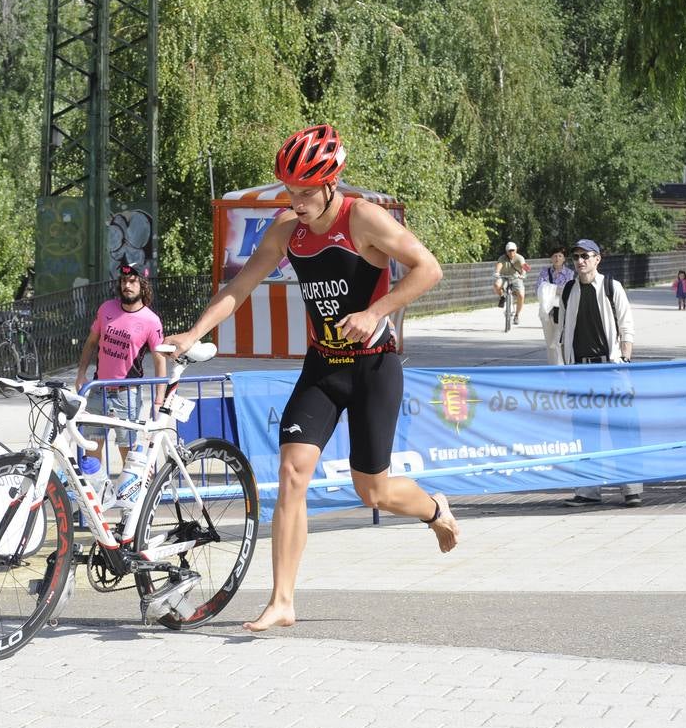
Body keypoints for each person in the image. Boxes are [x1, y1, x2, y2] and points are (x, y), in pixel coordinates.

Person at [167, 123, 459, 632]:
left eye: (304, 193)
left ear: (330, 184)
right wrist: (193, 333)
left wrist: (377, 311)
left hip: (373, 366)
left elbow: (428, 268)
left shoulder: (363, 218)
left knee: (375, 492)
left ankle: (435, 508)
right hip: (323, 365)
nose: (295, 202)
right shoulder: (286, 229)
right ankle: (282, 600)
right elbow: (241, 285)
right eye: (289, 191)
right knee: (291, 473)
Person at [557, 239, 643, 508]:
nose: (580, 261)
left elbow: (626, 326)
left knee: (623, 428)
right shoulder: (568, 289)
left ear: (597, 259)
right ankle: (587, 490)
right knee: (584, 431)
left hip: (610, 366)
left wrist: (625, 360)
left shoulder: (610, 287)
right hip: (580, 369)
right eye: (576, 256)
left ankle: (631, 488)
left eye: (586, 256)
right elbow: (563, 330)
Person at [73, 264, 167, 464]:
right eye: (124, 281)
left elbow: (160, 361)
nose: (127, 285)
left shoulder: (151, 320)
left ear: (142, 286)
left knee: (129, 457)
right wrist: (81, 374)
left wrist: (159, 402)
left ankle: (132, 494)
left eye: (133, 281)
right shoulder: (107, 308)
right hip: (98, 391)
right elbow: (91, 342)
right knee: (90, 453)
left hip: (127, 396)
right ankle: (96, 493)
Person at [536, 248, 574, 363]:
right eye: (555, 256)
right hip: (547, 311)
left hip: (561, 310)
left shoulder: (569, 273)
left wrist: (549, 288)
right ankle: (553, 365)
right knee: (549, 341)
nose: (557, 258)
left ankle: (560, 366)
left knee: (558, 341)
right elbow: (539, 288)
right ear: (551, 258)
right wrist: (556, 290)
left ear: (564, 259)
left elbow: (567, 290)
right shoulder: (544, 272)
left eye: (560, 256)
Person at [493, 241, 529, 325]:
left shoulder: (520, 257)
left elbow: (525, 267)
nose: (511, 252)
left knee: (521, 295)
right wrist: (497, 272)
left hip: (516, 278)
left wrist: (523, 274)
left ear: (516, 250)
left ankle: (517, 315)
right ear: (506, 251)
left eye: (513, 250)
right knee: (496, 285)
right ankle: (502, 296)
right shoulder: (502, 258)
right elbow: (499, 265)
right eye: (509, 250)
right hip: (503, 277)